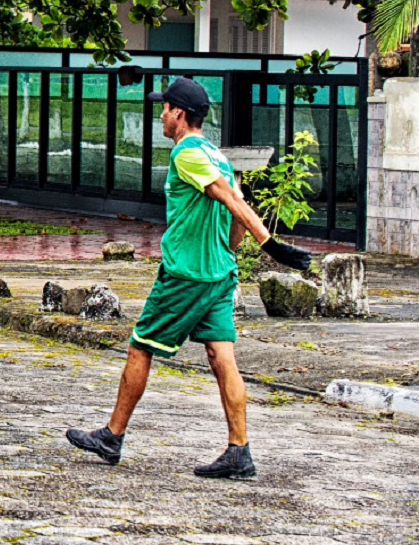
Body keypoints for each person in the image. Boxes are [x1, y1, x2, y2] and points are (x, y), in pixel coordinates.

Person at [65, 76, 312, 480]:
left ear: (179, 113)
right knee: (221, 356)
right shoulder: (217, 154)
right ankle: (239, 451)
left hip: (186, 275)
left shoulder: (187, 154)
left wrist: (270, 245)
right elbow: (237, 206)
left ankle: (112, 436)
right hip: (219, 273)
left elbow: (231, 200)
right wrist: (231, 252)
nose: (160, 114)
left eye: (164, 108)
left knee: (140, 346)